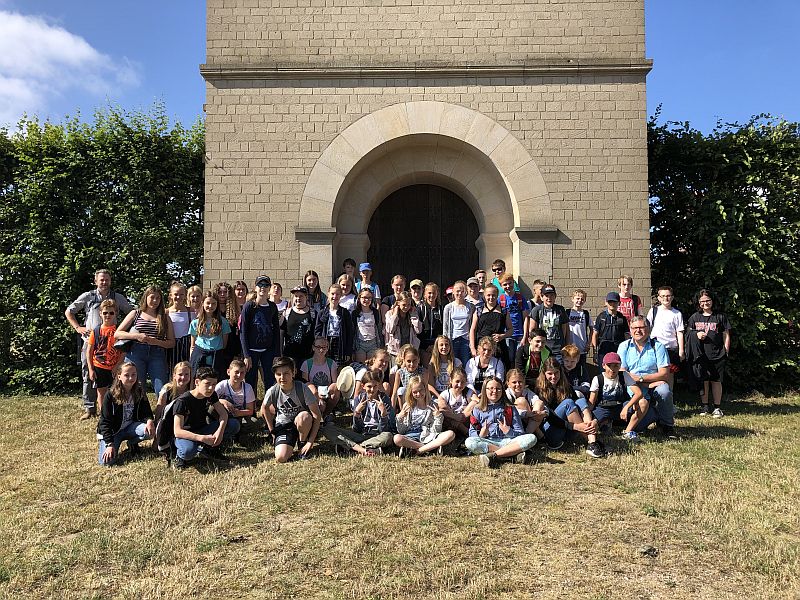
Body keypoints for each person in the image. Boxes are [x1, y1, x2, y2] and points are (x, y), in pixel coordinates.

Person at [65, 268, 133, 420]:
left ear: (110, 281)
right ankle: (90, 408)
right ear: (95, 281)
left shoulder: (117, 297)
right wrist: (78, 327)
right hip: (90, 341)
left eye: (107, 279)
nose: (104, 282)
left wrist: (124, 330)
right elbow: (69, 311)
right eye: (101, 279)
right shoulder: (88, 296)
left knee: (115, 375)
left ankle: (115, 408)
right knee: (88, 374)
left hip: (113, 343)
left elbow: (131, 313)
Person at [617, 315, 676, 437]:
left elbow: (664, 374)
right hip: (633, 386)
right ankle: (654, 414)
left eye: (641, 327)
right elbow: (622, 372)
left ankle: (667, 425)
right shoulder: (624, 346)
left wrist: (640, 379)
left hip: (654, 385)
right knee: (638, 427)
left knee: (664, 391)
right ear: (630, 329)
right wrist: (645, 384)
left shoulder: (658, 346)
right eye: (634, 328)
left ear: (648, 329)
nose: (638, 331)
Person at [537, 358, 605, 458]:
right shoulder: (538, 389)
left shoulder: (566, 386)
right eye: (550, 374)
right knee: (568, 403)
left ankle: (592, 442)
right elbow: (550, 417)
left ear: (561, 372)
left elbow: (581, 405)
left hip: (566, 431)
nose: (554, 376)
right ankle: (593, 442)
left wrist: (595, 420)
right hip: (551, 433)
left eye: (556, 373)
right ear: (544, 374)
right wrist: (575, 426)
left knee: (581, 400)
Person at [172, 366, 238, 469]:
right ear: (197, 382)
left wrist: (219, 432)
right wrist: (202, 438)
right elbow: (177, 431)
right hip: (186, 434)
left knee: (233, 424)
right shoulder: (183, 401)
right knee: (187, 452)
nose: (211, 388)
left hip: (203, 429)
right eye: (207, 384)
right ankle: (179, 456)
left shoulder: (211, 394)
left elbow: (223, 414)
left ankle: (208, 449)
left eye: (214, 384)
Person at [115, 285, 175, 397]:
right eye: (152, 297)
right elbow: (117, 333)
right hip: (136, 352)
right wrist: (136, 336)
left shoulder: (165, 317)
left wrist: (156, 341)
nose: (155, 301)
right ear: (146, 297)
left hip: (157, 354)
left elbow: (171, 342)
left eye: (158, 298)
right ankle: (137, 408)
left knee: (162, 388)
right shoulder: (136, 313)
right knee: (135, 387)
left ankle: (162, 407)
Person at [465, 376, 538, 467]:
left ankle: (495, 456)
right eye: (491, 388)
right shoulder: (477, 409)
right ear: (484, 390)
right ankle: (511, 454)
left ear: (502, 391)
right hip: (488, 441)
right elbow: (472, 433)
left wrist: (508, 431)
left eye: (498, 389)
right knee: (469, 442)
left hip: (508, 441)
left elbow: (520, 432)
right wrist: (482, 434)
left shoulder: (510, 408)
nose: (495, 391)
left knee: (531, 438)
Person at [262, 356, 323, 463]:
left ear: (293, 373)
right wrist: (272, 431)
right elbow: (265, 408)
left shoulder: (302, 388)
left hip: (303, 423)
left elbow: (317, 416)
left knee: (304, 417)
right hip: (284, 426)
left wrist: (310, 442)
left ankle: (302, 443)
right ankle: (289, 442)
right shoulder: (272, 391)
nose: (282, 377)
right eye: (278, 374)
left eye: (286, 373)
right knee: (281, 457)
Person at [323, 370, 395, 457]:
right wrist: (357, 413)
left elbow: (385, 430)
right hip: (362, 434)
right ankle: (365, 449)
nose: (372, 390)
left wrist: (383, 414)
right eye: (369, 386)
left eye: (375, 386)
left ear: (378, 385)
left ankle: (353, 448)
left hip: (378, 435)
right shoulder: (359, 399)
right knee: (327, 429)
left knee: (388, 436)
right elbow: (357, 429)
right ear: (363, 386)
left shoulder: (384, 399)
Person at [96, 362, 154, 466]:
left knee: (149, 431)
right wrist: (109, 444)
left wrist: (149, 421)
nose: (131, 378)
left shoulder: (139, 390)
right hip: (113, 432)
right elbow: (105, 422)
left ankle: (132, 443)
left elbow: (147, 411)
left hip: (130, 427)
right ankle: (112, 445)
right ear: (119, 376)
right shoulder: (110, 395)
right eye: (126, 375)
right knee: (106, 462)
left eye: (134, 374)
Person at [587, 352, 654, 442]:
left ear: (620, 366)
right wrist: (589, 415)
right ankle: (604, 423)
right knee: (592, 425)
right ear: (603, 366)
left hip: (620, 406)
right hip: (603, 408)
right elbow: (592, 401)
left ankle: (628, 431)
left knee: (643, 402)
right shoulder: (598, 379)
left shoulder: (624, 375)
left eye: (616, 366)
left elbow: (638, 393)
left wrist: (627, 407)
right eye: (609, 366)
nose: (612, 369)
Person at [686, 289, 732, 418]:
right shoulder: (694, 317)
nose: (705, 303)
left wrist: (726, 350)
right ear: (698, 302)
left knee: (716, 380)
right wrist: (696, 334)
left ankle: (717, 407)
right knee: (704, 380)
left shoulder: (720, 316)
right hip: (700, 354)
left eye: (708, 300)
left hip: (717, 354)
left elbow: (726, 334)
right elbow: (688, 333)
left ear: (712, 301)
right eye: (702, 301)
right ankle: (705, 406)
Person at [393, 375, 455, 457]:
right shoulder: (407, 406)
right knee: (397, 438)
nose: (418, 394)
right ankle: (431, 448)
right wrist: (400, 418)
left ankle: (419, 450)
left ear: (425, 389)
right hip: (411, 436)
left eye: (421, 390)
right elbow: (402, 431)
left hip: (428, 435)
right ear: (410, 392)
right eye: (415, 392)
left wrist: (438, 417)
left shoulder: (433, 405)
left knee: (450, 434)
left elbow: (436, 430)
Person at [240, 275, 281, 393]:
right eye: (260, 285)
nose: (263, 288)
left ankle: (269, 402)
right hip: (251, 350)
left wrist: (277, 353)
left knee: (270, 379)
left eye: (266, 285)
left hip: (268, 350)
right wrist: (246, 355)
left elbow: (276, 331)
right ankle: (251, 403)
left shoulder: (272, 307)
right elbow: (243, 332)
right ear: (255, 288)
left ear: (269, 288)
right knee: (250, 380)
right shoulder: (249, 306)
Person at [86, 299, 125, 410]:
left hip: (115, 366)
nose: (108, 315)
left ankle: (116, 412)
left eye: (111, 313)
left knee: (117, 390)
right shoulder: (96, 331)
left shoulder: (119, 330)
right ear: (100, 313)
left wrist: (117, 366)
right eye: (105, 313)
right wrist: (91, 369)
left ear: (116, 313)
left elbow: (123, 351)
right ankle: (103, 414)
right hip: (99, 366)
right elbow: (89, 351)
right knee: (101, 391)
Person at [646, 286, 686, 389]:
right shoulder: (653, 311)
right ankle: (656, 395)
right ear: (659, 298)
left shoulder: (677, 313)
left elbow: (680, 333)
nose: (666, 298)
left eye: (668, 296)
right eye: (663, 296)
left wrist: (681, 351)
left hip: (671, 348)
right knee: (655, 372)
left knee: (670, 374)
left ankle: (669, 395)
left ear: (672, 297)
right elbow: (647, 328)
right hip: (655, 347)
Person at [188, 290, 231, 377]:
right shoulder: (195, 323)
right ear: (202, 303)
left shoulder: (223, 322)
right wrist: (192, 360)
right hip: (199, 355)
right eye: (208, 303)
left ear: (217, 305)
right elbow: (192, 345)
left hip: (216, 356)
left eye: (214, 303)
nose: (210, 306)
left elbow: (224, 344)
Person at [215, 358, 260, 437]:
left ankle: (235, 431)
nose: (239, 375)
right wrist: (223, 401)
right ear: (228, 372)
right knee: (212, 409)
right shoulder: (222, 385)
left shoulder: (248, 388)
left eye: (242, 373)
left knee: (255, 423)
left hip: (239, 415)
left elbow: (250, 411)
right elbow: (211, 400)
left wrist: (238, 413)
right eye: (236, 372)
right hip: (223, 413)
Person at [314, 283, 355, 368]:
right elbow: (317, 330)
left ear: (341, 295)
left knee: (338, 368)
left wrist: (348, 352)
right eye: (332, 294)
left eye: (337, 294)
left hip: (340, 344)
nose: (335, 296)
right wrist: (319, 345)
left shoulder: (344, 312)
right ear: (328, 294)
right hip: (326, 342)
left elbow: (349, 333)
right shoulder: (322, 312)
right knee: (326, 366)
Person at [301, 337, 340, 419]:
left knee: (335, 389)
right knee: (312, 390)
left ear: (327, 348)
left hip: (326, 391)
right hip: (313, 393)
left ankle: (327, 414)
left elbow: (335, 382)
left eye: (324, 347)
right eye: (318, 347)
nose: (321, 350)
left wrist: (326, 392)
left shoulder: (331, 363)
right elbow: (305, 383)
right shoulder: (306, 364)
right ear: (313, 348)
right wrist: (317, 396)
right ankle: (317, 415)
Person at [470, 284, 512, 360]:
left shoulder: (504, 311)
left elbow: (511, 330)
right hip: (482, 348)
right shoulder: (478, 311)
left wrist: (502, 336)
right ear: (484, 296)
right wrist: (472, 348)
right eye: (488, 295)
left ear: (497, 295)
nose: (491, 297)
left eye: (493, 295)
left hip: (499, 347)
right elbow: (473, 330)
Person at [281, 285, 317, 371]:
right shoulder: (287, 313)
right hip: (290, 355)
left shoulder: (313, 313)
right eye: (296, 296)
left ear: (306, 297)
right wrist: (280, 351)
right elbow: (281, 333)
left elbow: (316, 333)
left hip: (307, 355)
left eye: (301, 296)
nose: (298, 298)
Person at [529, 284, 568, 363]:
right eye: (546, 296)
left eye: (552, 295)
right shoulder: (536, 310)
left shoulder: (560, 309)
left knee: (558, 369)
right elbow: (532, 330)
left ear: (555, 296)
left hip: (558, 349)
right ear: (542, 297)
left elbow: (565, 329)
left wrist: (565, 344)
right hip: (543, 348)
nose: (549, 298)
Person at [498, 273, 529, 366]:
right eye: (505, 284)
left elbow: (526, 318)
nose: (508, 286)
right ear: (501, 286)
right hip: (507, 335)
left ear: (513, 283)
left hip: (520, 335)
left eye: (510, 283)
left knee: (520, 359)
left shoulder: (520, 298)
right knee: (510, 358)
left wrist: (525, 336)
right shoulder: (500, 299)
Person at [592, 292, 630, 368]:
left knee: (618, 370)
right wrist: (595, 352)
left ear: (619, 303)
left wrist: (627, 350)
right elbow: (595, 335)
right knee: (603, 370)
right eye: (610, 302)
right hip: (603, 349)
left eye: (615, 302)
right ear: (606, 302)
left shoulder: (622, 318)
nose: (612, 304)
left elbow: (627, 336)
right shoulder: (601, 317)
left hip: (618, 349)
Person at [506, 368, 547, 438]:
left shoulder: (527, 392)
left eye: (520, 382)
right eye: (514, 382)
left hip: (529, 422)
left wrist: (544, 413)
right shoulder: (506, 395)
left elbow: (540, 404)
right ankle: (538, 433)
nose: (517, 384)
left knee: (539, 402)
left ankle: (527, 434)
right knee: (521, 401)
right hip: (515, 424)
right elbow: (509, 412)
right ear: (508, 384)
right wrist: (527, 413)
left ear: (524, 382)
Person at [443, 280, 475, 367]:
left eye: (462, 291)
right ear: (453, 292)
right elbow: (445, 326)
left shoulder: (471, 307)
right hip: (453, 339)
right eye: (457, 291)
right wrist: (446, 342)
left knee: (466, 364)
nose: (460, 293)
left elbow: (472, 324)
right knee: (453, 364)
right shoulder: (448, 307)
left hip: (466, 339)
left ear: (465, 292)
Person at [436, 367, 473, 436]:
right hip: (450, 422)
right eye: (457, 381)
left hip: (464, 420)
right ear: (451, 380)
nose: (459, 385)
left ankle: (463, 430)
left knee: (474, 403)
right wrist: (455, 417)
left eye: (463, 382)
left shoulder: (468, 391)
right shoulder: (445, 394)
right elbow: (441, 409)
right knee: (442, 410)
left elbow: (476, 402)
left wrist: (461, 417)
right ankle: (467, 433)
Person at [385, 291, 422, 359]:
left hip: (410, 348)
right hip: (396, 351)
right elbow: (390, 330)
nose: (406, 307)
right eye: (404, 305)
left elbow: (418, 330)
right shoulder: (390, 313)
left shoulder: (412, 313)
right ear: (398, 303)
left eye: (408, 305)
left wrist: (413, 316)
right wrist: (395, 314)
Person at [166, 282, 194, 372]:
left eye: (181, 294)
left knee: (187, 370)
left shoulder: (191, 311)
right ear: (171, 295)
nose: (178, 297)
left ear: (185, 295)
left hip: (187, 345)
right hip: (171, 346)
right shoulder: (166, 312)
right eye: (176, 294)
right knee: (172, 371)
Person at [215, 281, 242, 375]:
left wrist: (237, 352)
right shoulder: (213, 309)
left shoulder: (235, 310)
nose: (222, 294)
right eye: (220, 292)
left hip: (231, 348)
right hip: (216, 347)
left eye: (225, 292)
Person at [352, 287, 384, 363]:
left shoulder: (375, 312)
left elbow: (378, 327)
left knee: (371, 366)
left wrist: (381, 344)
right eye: (364, 297)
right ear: (359, 298)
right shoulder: (355, 313)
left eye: (369, 298)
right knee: (360, 366)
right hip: (360, 343)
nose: (366, 300)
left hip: (373, 343)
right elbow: (353, 330)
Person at [390, 344, 426, 409]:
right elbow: (394, 393)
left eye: (414, 361)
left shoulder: (423, 372)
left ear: (418, 359)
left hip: (419, 396)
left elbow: (426, 390)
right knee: (401, 390)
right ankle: (403, 411)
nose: (412, 364)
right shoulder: (400, 372)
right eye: (409, 361)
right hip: (407, 399)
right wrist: (392, 411)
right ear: (404, 360)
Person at [416, 283, 443, 365]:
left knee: (436, 368)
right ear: (425, 294)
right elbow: (417, 330)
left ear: (437, 294)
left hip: (437, 345)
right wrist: (425, 346)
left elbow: (443, 329)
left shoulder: (441, 309)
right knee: (426, 368)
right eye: (429, 293)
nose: (432, 295)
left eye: (434, 293)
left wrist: (435, 345)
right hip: (423, 346)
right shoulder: (420, 309)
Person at [567, 289, 592, 368]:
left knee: (582, 369)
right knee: (570, 368)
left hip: (582, 348)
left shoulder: (585, 314)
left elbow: (592, 330)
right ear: (572, 299)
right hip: (570, 347)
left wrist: (588, 344)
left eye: (582, 299)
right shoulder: (567, 313)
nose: (580, 301)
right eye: (577, 298)